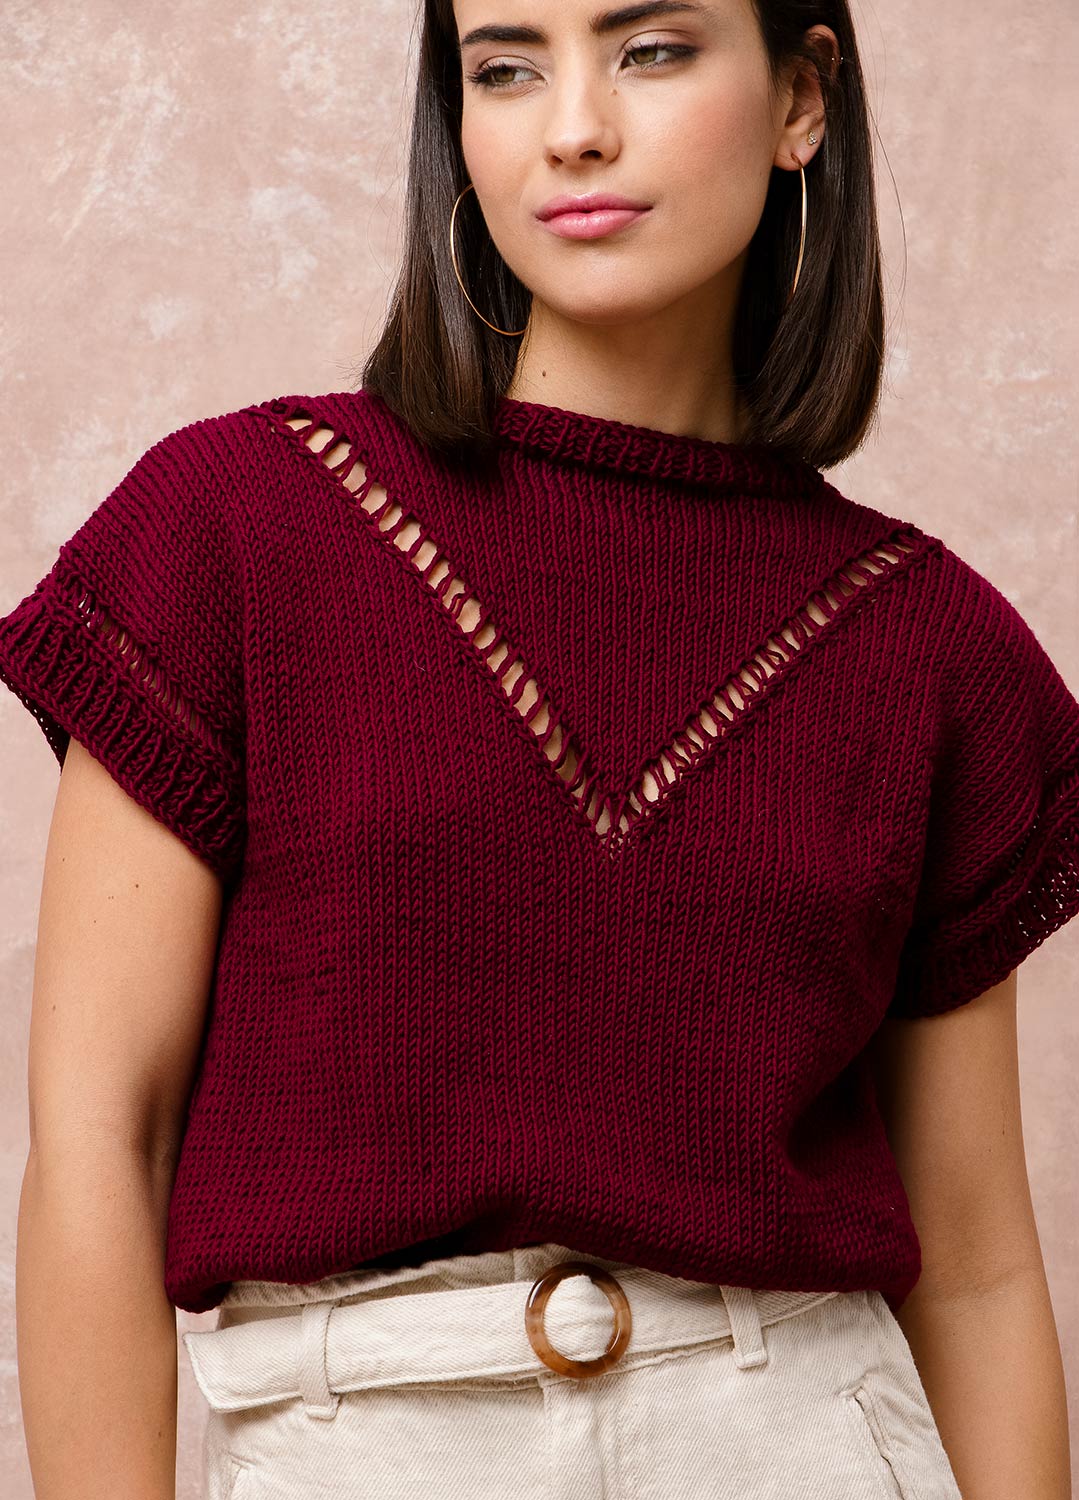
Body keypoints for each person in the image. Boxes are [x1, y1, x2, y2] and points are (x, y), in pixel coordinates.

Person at [6, 1, 1076, 1496]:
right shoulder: (234, 533)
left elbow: (975, 1267)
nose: (573, 127)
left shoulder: (929, 645)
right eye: (505, 68)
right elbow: (97, 1145)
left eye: (652, 49)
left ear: (801, 99)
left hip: (799, 1442)